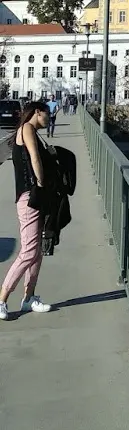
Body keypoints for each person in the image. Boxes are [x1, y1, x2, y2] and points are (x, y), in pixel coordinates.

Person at [1, 101, 53, 319]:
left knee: (37, 251)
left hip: (32, 197)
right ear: (37, 112)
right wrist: (41, 185)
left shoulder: (28, 130)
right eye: (47, 114)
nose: (49, 118)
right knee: (29, 251)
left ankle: (29, 298)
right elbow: (35, 158)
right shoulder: (27, 129)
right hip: (29, 197)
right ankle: (2, 299)